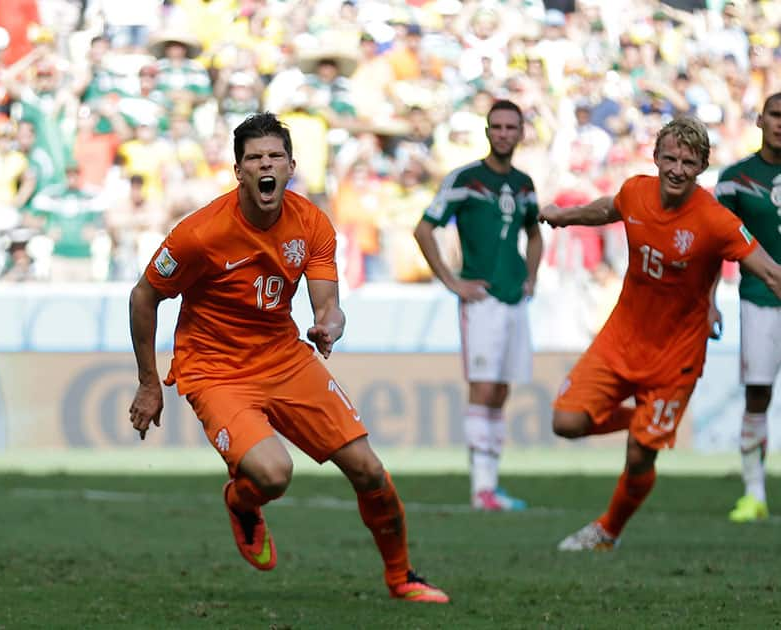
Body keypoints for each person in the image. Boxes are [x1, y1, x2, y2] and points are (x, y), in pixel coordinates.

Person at [128, 113, 448, 604]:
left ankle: (402, 578)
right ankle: (242, 502)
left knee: (368, 469)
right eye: (254, 158)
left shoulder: (312, 222)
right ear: (238, 171)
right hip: (216, 369)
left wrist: (329, 326)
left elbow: (328, 304)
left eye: (275, 156)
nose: (266, 165)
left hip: (283, 357)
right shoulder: (200, 234)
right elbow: (143, 296)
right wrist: (150, 384)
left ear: (292, 165)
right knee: (273, 473)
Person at [539, 116, 781, 550]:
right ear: (655, 157)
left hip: (676, 358)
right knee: (566, 422)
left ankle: (607, 531)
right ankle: (646, 422)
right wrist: (566, 215)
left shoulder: (716, 220)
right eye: (669, 157)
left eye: (688, 162)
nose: (676, 168)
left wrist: (710, 303)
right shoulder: (635, 190)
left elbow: (768, 270)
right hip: (620, 341)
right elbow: (608, 209)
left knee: (638, 458)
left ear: (702, 167)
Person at [412, 99, 543, 511]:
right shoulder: (466, 179)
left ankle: (491, 486)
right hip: (481, 300)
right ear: (487, 132)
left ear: (521, 133)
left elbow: (535, 233)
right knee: (483, 388)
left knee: (501, 389)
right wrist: (453, 282)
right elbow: (423, 229)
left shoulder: (524, 184)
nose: (504, 133)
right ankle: (480, 488)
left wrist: (532, 275)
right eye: (497, 126)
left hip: (513, 299)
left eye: (511, 127)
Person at [714, 93, 781, 523]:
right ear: (760, 120)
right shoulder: (736, 177)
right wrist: (706, 302)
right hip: (760, 301)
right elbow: (711, 242)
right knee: (758, 393)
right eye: (776, 115)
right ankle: (754, 493)